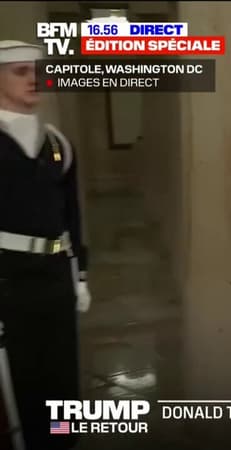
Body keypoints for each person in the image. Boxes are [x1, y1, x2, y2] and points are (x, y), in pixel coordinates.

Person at [0, 40, 90, 450]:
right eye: (20, 71)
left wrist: (80, 274)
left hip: (55, 275)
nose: (34, 79)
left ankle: (61, 440)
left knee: (60, 371)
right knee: (21, 374)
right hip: (8, 276)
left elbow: (71, 215)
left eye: (37, 70)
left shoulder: (57, 142)